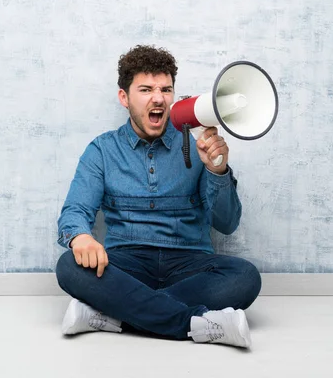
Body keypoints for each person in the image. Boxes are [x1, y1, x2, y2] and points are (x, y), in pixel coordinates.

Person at [55, 45, 261, 348]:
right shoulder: (102, 150)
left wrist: (218, 171)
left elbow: (227, 224)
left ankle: (115, 316)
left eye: (166, 89)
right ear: (124, 97)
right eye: (146, 89)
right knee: (68, 266)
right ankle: (194, 324)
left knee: (245, 276)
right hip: (126, 266)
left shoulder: (198, 142)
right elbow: (75, 210)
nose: (158, 98)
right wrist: (81, 238)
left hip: (189, 264)